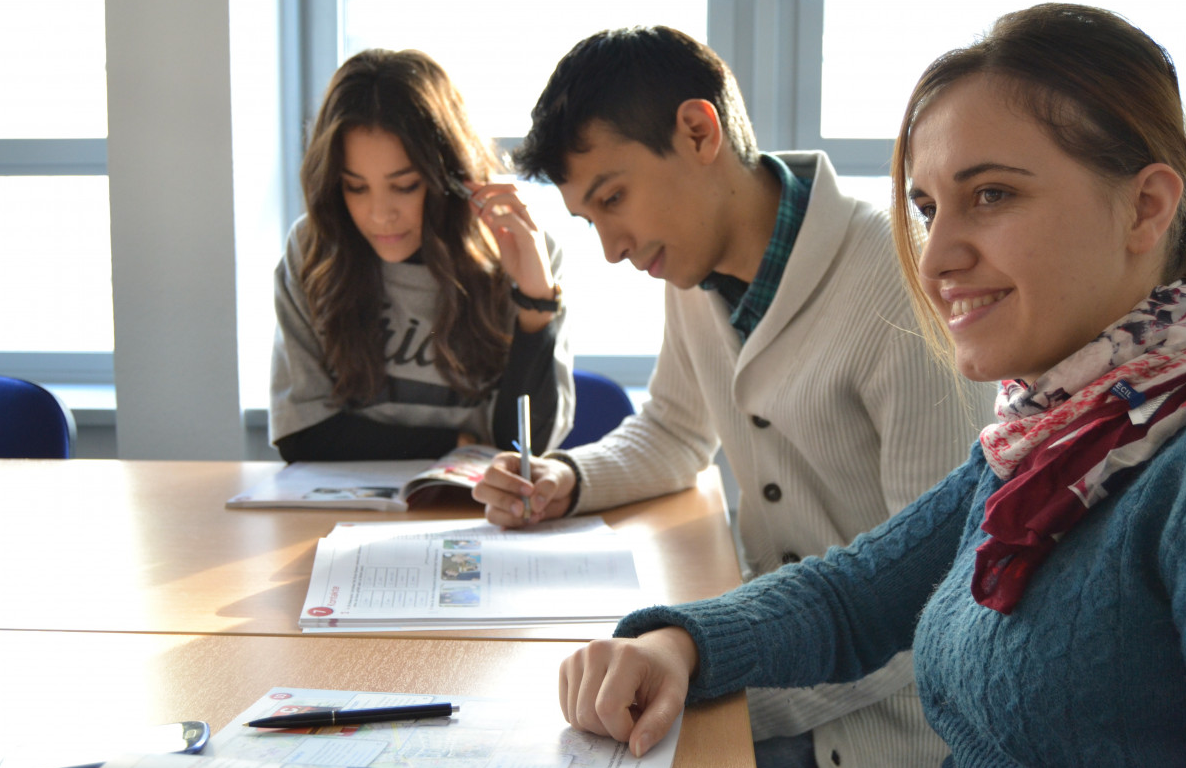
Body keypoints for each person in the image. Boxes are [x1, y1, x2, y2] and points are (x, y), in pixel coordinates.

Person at [555, 5, 1186, 765]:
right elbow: (855, 595)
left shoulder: (1162, 477)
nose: (935, 258)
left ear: (1146, 207)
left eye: (991, 195)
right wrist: (678, 644)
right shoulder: (1050, 433)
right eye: (926, 208)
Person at [472, 25, 995, 768]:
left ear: (697, 130)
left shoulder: (897, 280)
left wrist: (715, 685)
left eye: (613, 198)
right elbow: (674, 432)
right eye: (591, 222)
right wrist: (570, 478)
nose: (612, 248)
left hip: (876, 728)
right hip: (765, 659)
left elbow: (930, 600)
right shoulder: (691, 270)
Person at [270, 49, 574, 461]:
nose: (380, 215)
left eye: (405, 185)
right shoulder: (313, 250)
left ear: (448, 178)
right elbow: (302, 435)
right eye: (355, 187)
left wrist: (536, 302)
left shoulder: (517, 253)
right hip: (344, 513)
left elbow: (524, 448)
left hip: (476, 513)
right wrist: (456, 445)